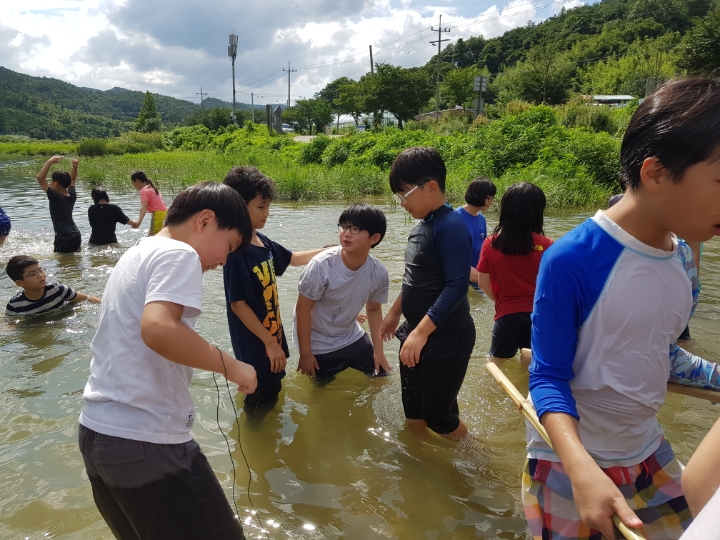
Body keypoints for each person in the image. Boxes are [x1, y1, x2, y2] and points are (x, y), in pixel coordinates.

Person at [524, 78, 720, 540]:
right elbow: (547, 377)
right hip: (570, 461)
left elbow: (658, 352)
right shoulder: (572, 259)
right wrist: (582, 470)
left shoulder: (683, 258)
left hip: (647, 449)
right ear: (655, 173)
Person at [78, 182, 257, 539]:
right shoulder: (179, 253)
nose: (224, 261)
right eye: (229, 246)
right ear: (205, 221)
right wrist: (233, 365)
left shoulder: (138, 253)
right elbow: (159, 329)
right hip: (146, 440)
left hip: (99, 436)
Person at [379, 147, 475, 441]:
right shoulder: (423, 225)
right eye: (397, 197)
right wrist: (394, 314)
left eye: (404, 195)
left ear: (431, 187)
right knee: (414, 412)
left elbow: (456, 286)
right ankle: (417, 462)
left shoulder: (451, 226)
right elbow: (414, 280)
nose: (401, 204)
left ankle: (478, 459)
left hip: (446, 337)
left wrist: (421, 332)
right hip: (415, 333)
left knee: (439, 417)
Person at [222, 166, 326, 410]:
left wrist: (331, 252)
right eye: (261, 207)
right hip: (256, 344)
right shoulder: (237, 251)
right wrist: (269, 343)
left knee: (273, 391)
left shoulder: (261, 240)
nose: (267, 213)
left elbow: (294, 259)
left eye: (268, 206)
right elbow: (238, 305)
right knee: (260, 397)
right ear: (239, 207)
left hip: (271, 338)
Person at [294, 203, 391, 381]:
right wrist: (306, 354)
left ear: (374, 238)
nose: (346, 233)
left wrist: (379, 352)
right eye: (344, 227)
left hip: (350, 335)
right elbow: (302, 310)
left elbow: (374, 310)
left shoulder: (378, 272)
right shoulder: (321, 265)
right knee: (322, 390)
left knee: (381, 375)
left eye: (355, 229)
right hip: (318, 342)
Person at [476, 183, 552, 365]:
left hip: (507, 316)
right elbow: (553, 286)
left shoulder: (491, 244)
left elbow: (482, 282)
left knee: (494, 364)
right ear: (537, 212)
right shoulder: (546, 244)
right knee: (530, 365)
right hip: (538, 316)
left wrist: (503, 301)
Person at [5, 255, 100, 316]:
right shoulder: (15, 306)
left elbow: (86, 298)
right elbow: (11, 325)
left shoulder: (59, 290)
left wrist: (103, 305)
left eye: (40, 270)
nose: (41, 275)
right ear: (19, 283)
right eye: (33, 274)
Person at [455, 177, 496, 291]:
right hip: (459, 274)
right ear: (478, 196)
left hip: (477, 274)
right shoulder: (456, 217)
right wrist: (466, 268)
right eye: (488, 198)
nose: (490, 202)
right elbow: (449, 249)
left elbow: (482, 248)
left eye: (492, 199)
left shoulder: (482, 219)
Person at [35, 155, 81, 253]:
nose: (50, 183)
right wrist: (75, 166)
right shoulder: (72, 195)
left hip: (65, 237)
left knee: (63, 262)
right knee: (72, 260)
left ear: (56, 184)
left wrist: (50, 161)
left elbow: (40, 178)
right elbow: (73, 179)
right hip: (76, 235)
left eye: (51, 181)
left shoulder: (55, 197)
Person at [130, 171, 167, 236]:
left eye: (133, 183)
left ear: (137, 181)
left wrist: (139, 221)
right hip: (164, 214)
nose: (134, 186)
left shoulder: (144, 190)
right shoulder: (151, 187)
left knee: (154, 238)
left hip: (158, 216)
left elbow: (144, 206)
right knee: (151, 237)